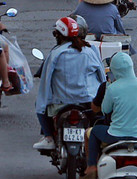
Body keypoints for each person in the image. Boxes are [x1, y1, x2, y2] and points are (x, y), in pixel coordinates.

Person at [33, 17, 106, 151]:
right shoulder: (90, 51)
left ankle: (48, 137)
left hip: (61, 102)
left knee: (39, 103)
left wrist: (43, 103)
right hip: (88, 102)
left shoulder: (56, 53)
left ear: (58, 35)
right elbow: (102, 79)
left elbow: (45, 81)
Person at [84, 52, 137, 179]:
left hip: (115, 135)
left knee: (94, 132)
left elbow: (105, 110)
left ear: (113, 70)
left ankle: (91, 167)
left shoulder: (112, 88)